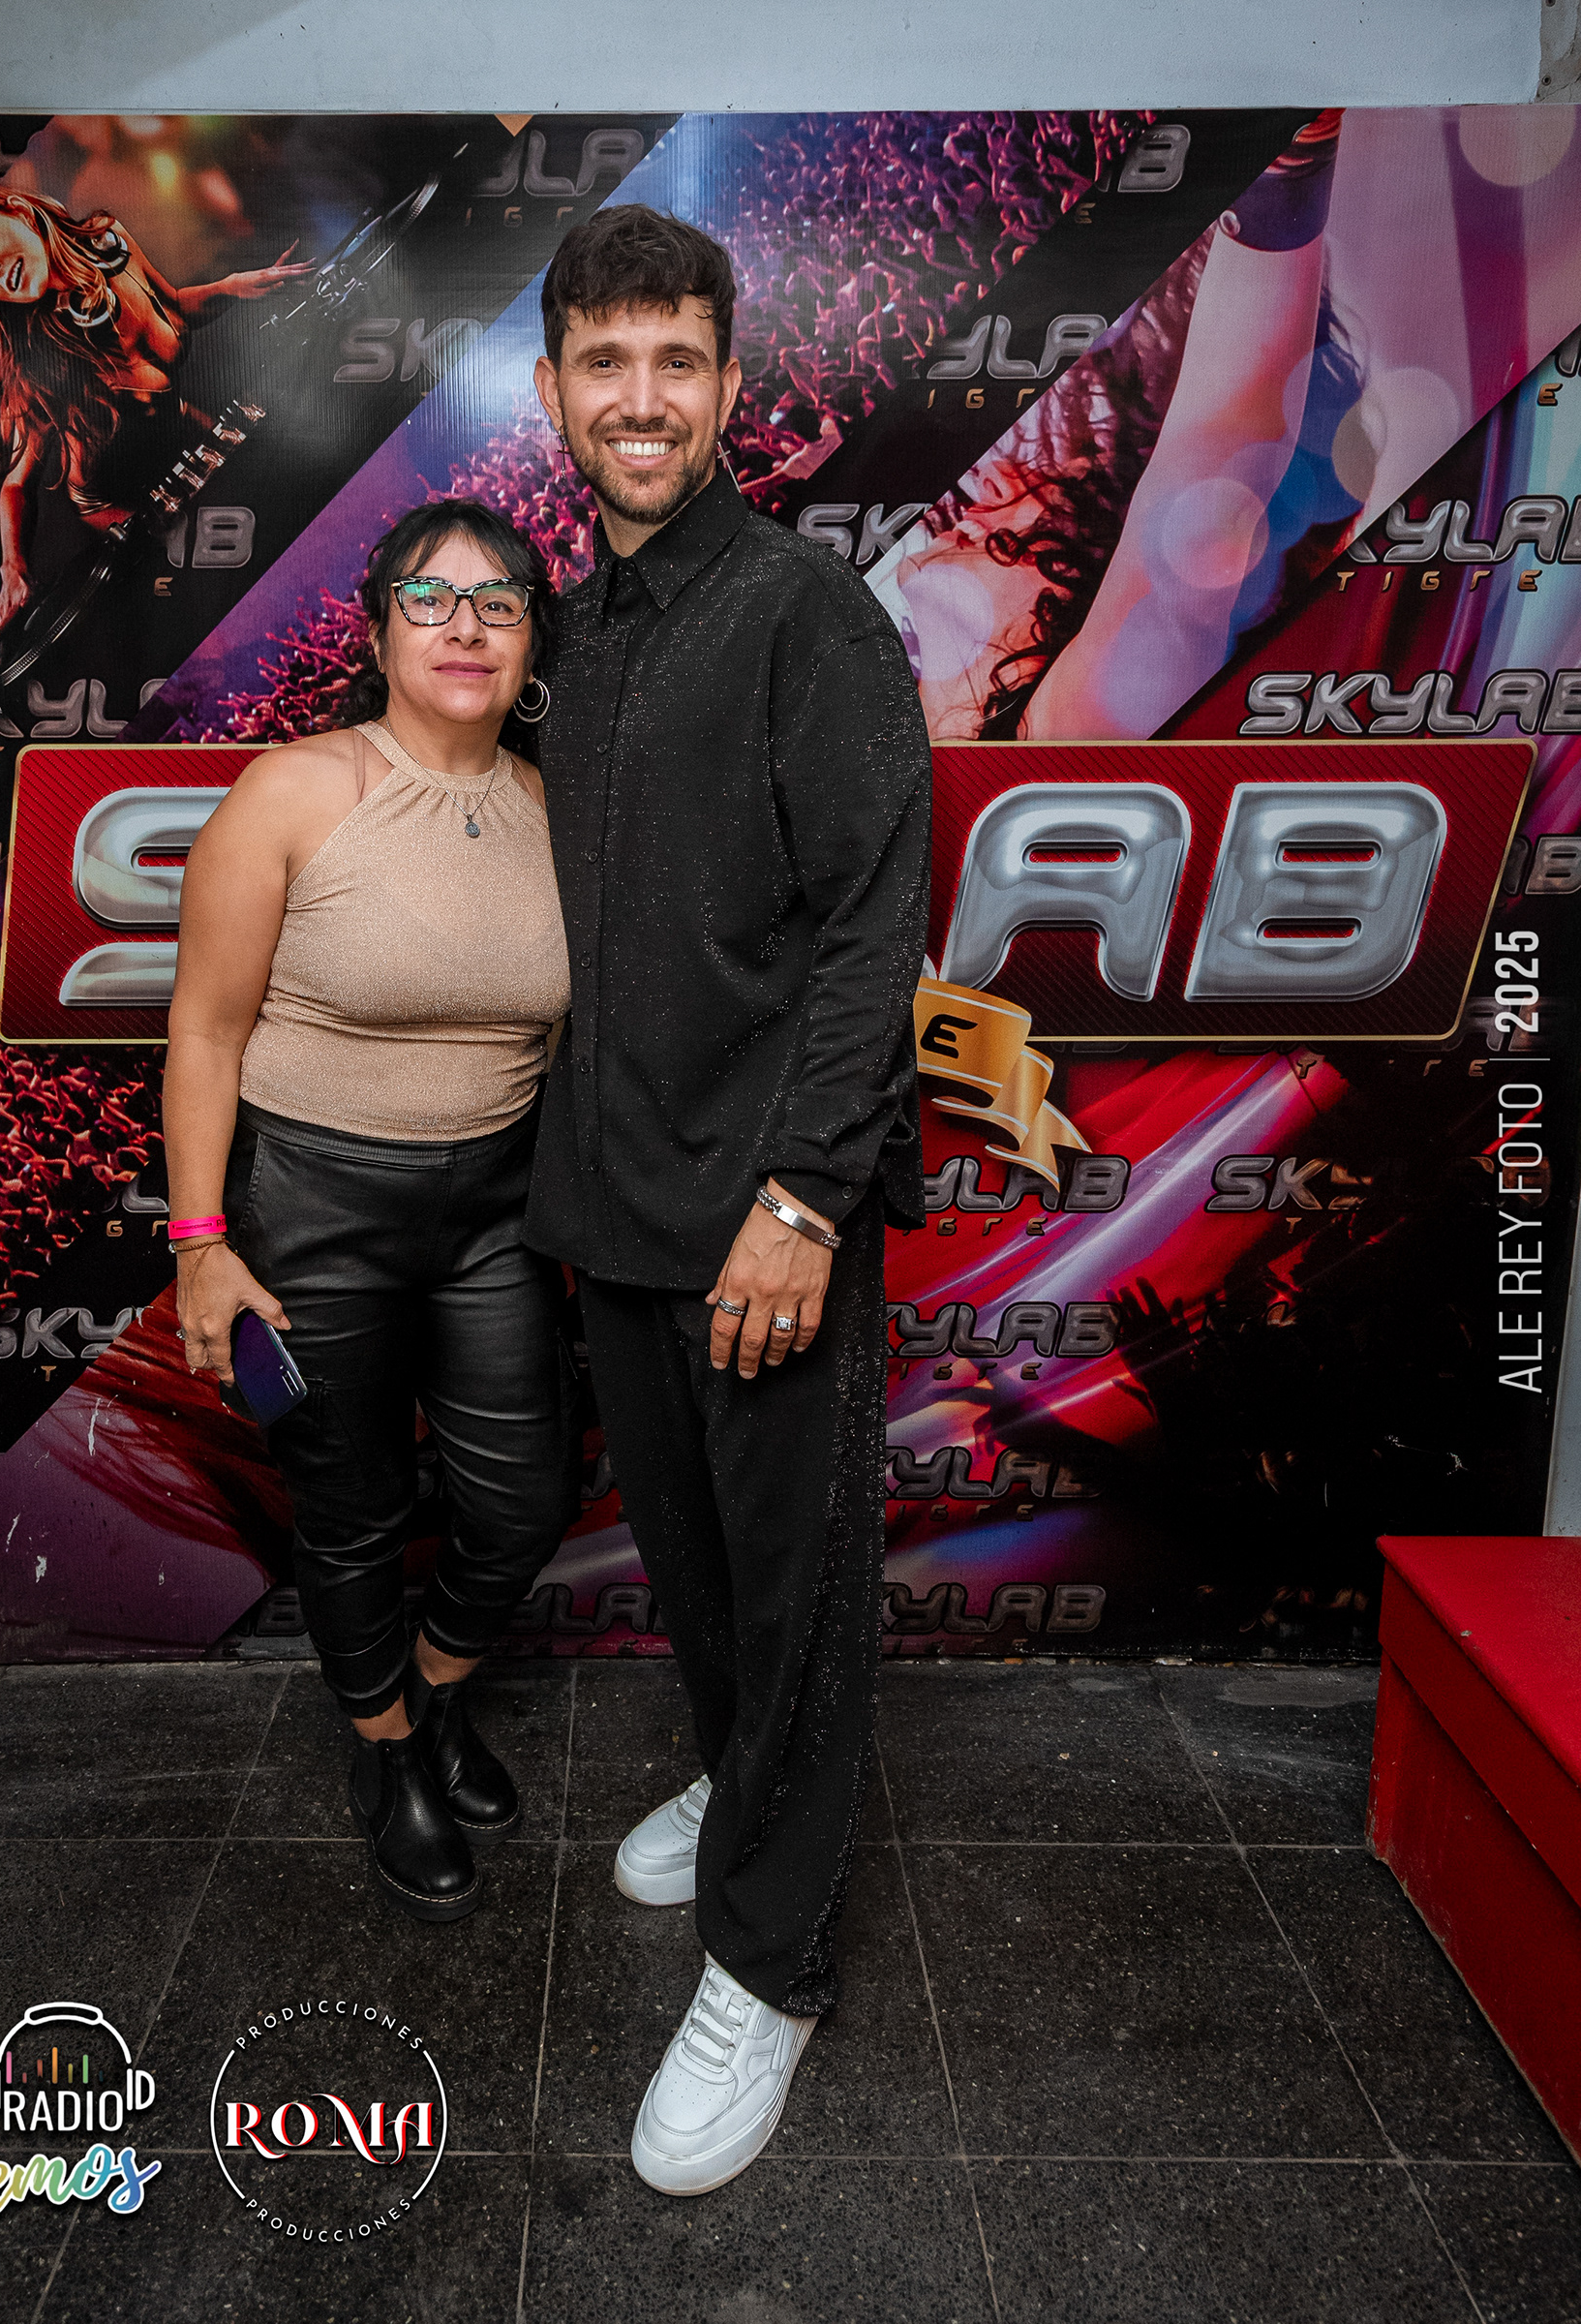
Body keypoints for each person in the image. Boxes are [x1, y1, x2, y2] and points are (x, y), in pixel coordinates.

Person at [529, 205, 931, 2194]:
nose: (642, 397)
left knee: (792, 1593)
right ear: (554, 393)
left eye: (675, 361)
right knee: (693, 1571)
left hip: (768, 1215)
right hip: (616, 1207)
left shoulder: (802, 613)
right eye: (606, 362)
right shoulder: (579, 632)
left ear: (730, 386)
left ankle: (766, 1964)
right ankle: (739, 1781)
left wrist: (806, 1197)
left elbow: (871, 927)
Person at [162, 499, 578, 1924]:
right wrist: (202, 1248)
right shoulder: (294, 791)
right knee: (350, 1512)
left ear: (533, 636)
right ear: (379, 627)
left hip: (495, 1209)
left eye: (500, 600)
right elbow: (204, 1033)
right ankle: (388, 1753)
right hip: (313, 1206)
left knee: (521, 1501)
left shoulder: (559, 808)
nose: (466, 627)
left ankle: (438, 1695)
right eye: (430, 598)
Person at [892, 110, 1351, 744]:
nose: (994, 483)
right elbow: (1210, 480)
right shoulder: (1065, 737)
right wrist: (1287, 156)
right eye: (1054, 512)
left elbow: (1207, 477)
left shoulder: (1043, 745)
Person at [0, 188, 312, 646]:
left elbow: (171, 305)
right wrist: (12, 569)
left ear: (17, 211)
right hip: (126, 509)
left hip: (188, 435)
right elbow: (17, 483)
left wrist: (232, 287)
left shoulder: (110, 240)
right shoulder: (32, 360)